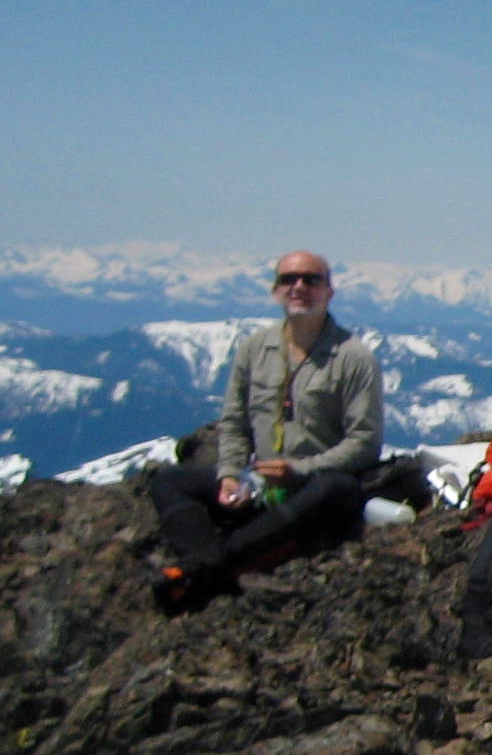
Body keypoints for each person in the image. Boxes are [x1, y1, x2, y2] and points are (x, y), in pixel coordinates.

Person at [146, 251, 382, 608]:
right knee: (169, 481)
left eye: (311, 279)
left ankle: (206, 566)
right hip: (261, 482)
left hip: (317, 485)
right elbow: (235, 421)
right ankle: (211, 565)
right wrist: (228, 475)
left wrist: (299, 470)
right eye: (289, 279)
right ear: (275, 291)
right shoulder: (255, 349)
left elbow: (364, 443)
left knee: (335, 488)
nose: (299, 286)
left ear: (329, 292)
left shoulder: (353, 357)